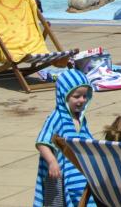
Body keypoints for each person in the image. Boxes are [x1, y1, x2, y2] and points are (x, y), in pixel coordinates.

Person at [34, 68, 94, 207]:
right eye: (77, 96)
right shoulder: (57, 118)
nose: (82, 100)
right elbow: (42, 142)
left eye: (85, 96)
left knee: (88, 200)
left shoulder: (81, 118)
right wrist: (52, 161)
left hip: (81, 172)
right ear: (64, 95)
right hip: (64, 173)